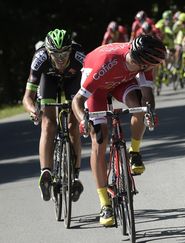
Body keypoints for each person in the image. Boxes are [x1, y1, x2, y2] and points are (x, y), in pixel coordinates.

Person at [71, 35, 166, 226]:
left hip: (120, 82)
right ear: (142, 60)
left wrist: (150, 112)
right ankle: (105, 203)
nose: (151, 69)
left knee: (138, 107)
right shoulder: (107, 62)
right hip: (97, 86)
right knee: (100, 139)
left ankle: (134, 152)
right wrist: (83, 120)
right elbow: (77, 101)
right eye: (150, 65)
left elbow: (147, 95)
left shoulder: (145, 63)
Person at [22, 29, 85, 202]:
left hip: (73, 80)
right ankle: (46, 173)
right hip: (48, 80)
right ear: (47, 51)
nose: (60, 58)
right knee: (48, 124)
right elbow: (27, 97)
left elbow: (90, 88)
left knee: (73, 127)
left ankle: (76, 175)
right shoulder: (40, 58)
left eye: (64, 53)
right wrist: (33, 110)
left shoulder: (79, 56)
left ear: (70, 50)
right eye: (55, 54)